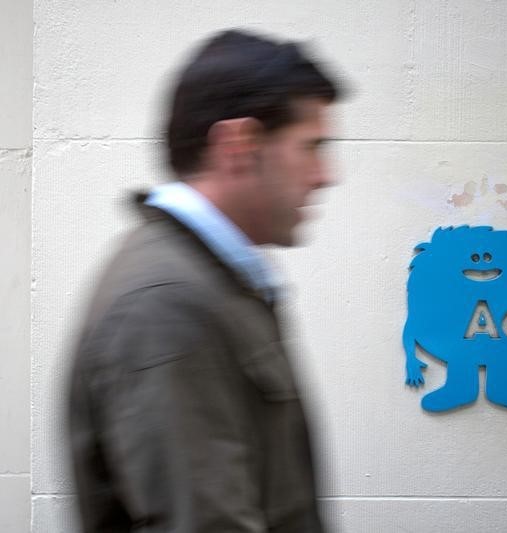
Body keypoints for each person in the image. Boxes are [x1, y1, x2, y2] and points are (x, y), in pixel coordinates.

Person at [67, 29, 342, 532]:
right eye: (311, 147)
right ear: (239, 145)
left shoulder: (210, 282)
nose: (327, 174)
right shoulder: (167, 305)